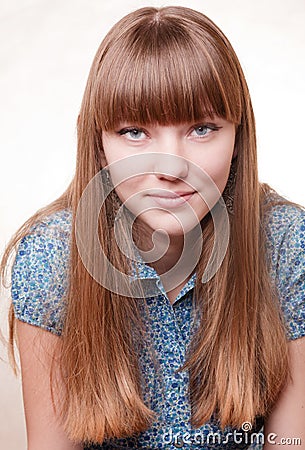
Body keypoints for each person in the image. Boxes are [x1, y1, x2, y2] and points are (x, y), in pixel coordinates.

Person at [1, 5, 305, 449]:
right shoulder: (51, 260)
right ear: (100, 143)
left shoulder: (286, 245)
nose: (170, 167)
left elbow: (290, 442)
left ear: (238, 138)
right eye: (134, 131)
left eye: (202, 129)